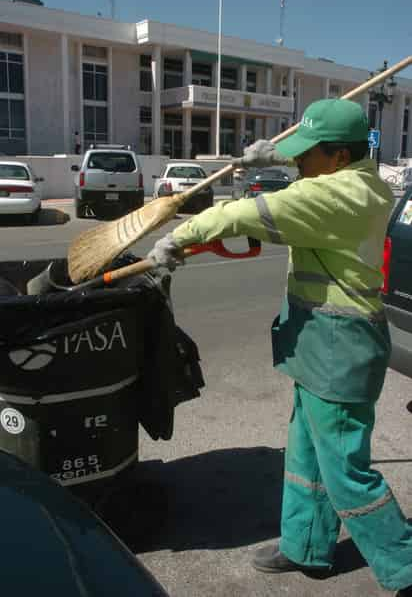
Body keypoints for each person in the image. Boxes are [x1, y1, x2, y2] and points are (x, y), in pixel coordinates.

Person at [147, 99, 412, 596]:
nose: (298, 161)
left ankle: (404, 564)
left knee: (345, 472)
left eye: (306, 154)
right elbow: (297, 186)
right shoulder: (344, 179)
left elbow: (248, 212)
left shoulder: (344, 196)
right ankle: (306, 545)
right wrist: (268, 159)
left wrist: (178, 239)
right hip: (318, 338)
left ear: (337, 156)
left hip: (341, 346)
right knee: (306, 454)